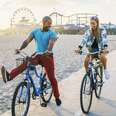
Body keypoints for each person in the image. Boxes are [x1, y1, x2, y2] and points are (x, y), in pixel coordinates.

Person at [1, 16, 62, 106]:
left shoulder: (52, 33)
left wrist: (48, 50)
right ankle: (9, 76)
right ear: (43, 22)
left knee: (52, 78)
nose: (50, 25)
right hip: (37, 55)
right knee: (26, 63)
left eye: (50, 23)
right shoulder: (35, 32)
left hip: (47, 56)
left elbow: (51, 43)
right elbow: (27, 41)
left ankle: (57, 96)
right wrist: (20, 49)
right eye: (48, 23)